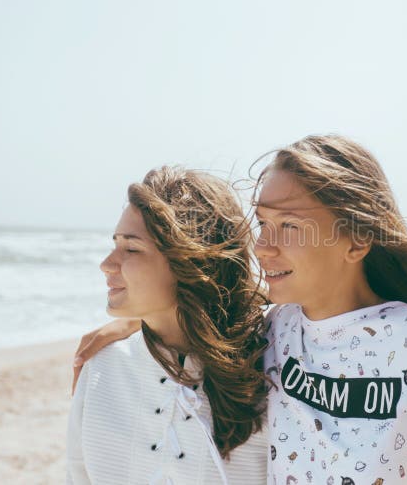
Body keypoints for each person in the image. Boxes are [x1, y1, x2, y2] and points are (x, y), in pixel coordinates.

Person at [254, 135, 407, 484]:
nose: (262, 247)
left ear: (357, 240)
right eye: (262, 224)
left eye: (289, 225)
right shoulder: (268, 333)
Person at [66, 166, 269, 485]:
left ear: (190, 262)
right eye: (115, 243)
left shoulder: (272, 368)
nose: (106, 264)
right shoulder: (101, 366)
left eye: (131, 248)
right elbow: (77, 476)